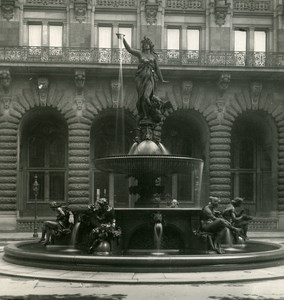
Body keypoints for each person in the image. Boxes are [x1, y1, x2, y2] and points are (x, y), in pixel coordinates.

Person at [117, 33, 168, 122]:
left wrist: (161, 79)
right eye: (144, 44)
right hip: (140, 78)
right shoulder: (140, 53)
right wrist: (123, 39)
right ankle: (145, 115)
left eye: (147, 44)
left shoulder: (154, 56)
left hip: (150, 78)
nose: (145, 45)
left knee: (146, 97)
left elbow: (157, 68)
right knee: (141, 97)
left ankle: (152, 110)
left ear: (150, 45)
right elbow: (129, 49)